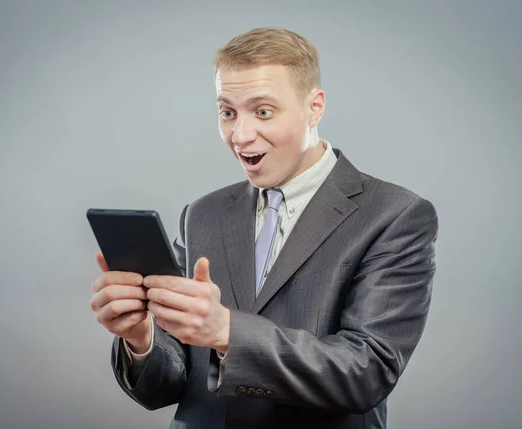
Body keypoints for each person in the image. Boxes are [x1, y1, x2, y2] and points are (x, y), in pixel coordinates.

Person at [89, 27, 439, 429]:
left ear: (315, 107)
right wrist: (140, 336)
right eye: (227, 112)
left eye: (263, 111)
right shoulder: (201, 214)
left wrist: (227, 332)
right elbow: (168, 386)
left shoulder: (395, 214)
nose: (240, 135)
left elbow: (366, 373)